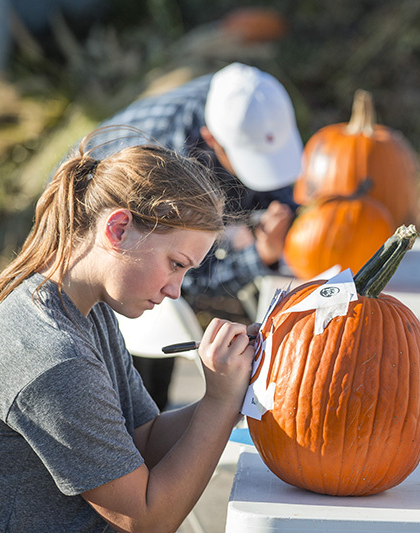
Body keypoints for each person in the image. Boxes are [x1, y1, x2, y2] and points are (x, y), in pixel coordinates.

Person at [0, 130, 256, 531]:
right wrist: (218, 403)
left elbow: (142, 439)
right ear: (118, 229)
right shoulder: (52, 357)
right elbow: (146, 519)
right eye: (175, 263)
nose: (174, 290)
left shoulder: (87, 311)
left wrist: (232, 394)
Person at [86, 62, 303, 409]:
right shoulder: (170, 170)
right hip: (110, 261)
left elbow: (280, 189)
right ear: (212, 139)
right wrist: (258, 256)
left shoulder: (247, 104)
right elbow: (185, 281)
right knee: (140, 373)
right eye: (250, 164)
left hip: (146, 245)